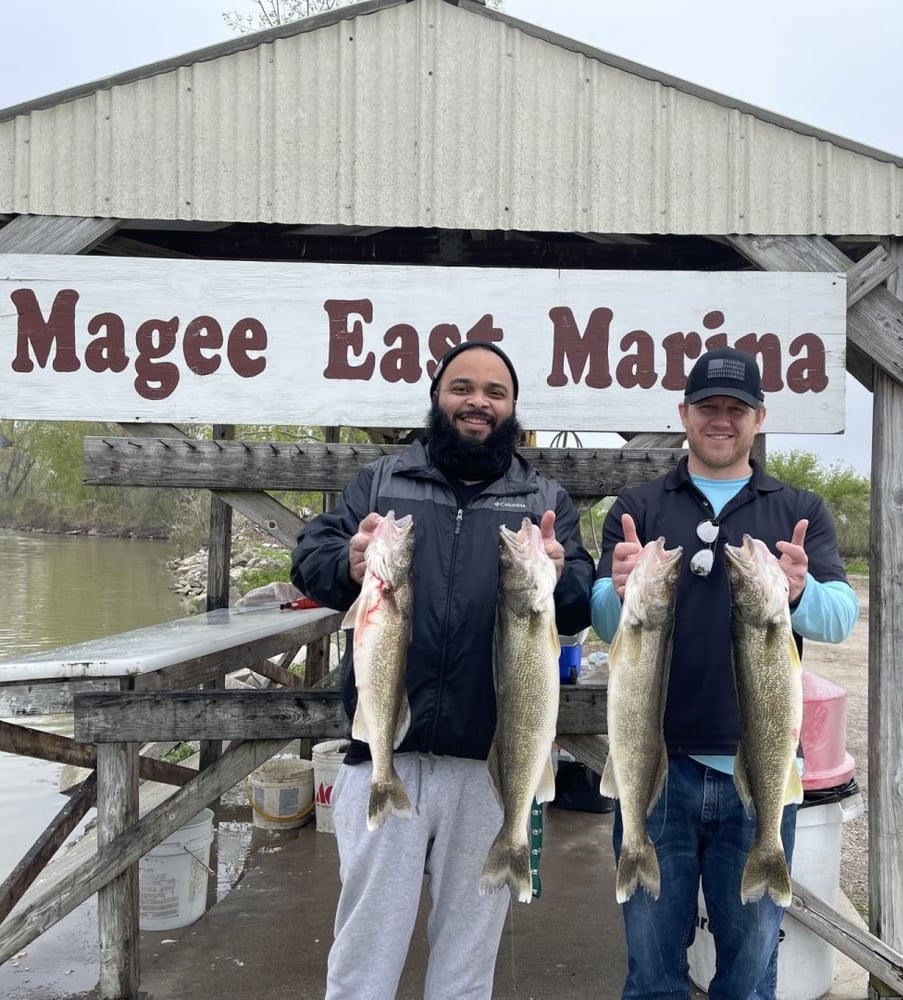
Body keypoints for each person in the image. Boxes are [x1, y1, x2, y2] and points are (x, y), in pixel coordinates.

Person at [291, 340, 593, 1000]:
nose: (477, 403)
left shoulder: (543, 499)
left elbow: (575, 606)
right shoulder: (379, 482)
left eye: (494, 392)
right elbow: (310, 559)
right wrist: (348, 558)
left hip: (491, 766)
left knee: (465, 959)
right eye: (462, 388)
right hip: (382, 757)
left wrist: (562, 574)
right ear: (436, 397)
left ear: (513, 409)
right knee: (364, 952)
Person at [591, 346, 859, 1000]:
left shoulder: (796, 507)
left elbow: (839, 618)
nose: (720, 420)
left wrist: (796, 594)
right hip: (653, 771)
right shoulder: (640, 505)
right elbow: (604, 622)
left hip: (759, 776)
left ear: (758, 418)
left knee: (748, 976)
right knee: (652, 973)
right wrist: (617, 589)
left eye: (734, 409)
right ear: (683, 413)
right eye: (706, 406)